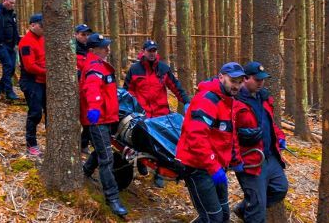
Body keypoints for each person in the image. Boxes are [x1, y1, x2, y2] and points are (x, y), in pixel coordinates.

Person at [175, 62, 245, 222]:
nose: (237, 86)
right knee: (213, 218)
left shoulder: (230, 101)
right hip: (197, 167)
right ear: (221, 77)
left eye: (240, 82)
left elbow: (230, 134)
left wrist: (235, 160)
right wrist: (213, 167)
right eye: (233, 81)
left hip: (216, 167)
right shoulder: (207, 100)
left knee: (224, 215)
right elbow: (196, 137)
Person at [123, 40, 190, 187]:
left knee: (161, 146)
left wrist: (186, 102)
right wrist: (134, 105)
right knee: (140, 142)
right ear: (143, 51)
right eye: (149, 50)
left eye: (154, 50)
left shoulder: (163, 69)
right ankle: (141, 163)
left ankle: (159, 173)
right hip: (143, 114)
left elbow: (176, 87)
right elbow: (127, 90)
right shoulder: (135, 69)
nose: (152, 53)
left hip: (161, 114)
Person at [231, 61, 289, 223]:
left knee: (280, 189)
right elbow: (229, 135)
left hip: (270, 157)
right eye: (257, 80)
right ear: (245, 79)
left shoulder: (264, 98)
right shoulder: (234, 102)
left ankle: (245, 209)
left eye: (263, 79)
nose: (261, 83)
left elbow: (270, 124)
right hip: (250, 161)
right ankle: (253, 210)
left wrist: (280, 137)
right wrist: (235, 159)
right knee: (257, 212)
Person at [80, 33, 128, 217]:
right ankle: (112, 197)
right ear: (93, 50)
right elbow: (92, 90)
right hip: (98, 119)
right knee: (106, 158)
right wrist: (93, 110)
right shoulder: (94, 67)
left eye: (107, 46)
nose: (107, 49)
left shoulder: (100, 65)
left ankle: (85, 171)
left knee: (102, 148)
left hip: (107, 117)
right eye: (103, 47)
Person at [18, 14, 46, 156]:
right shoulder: (26, 42)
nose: (43, 28)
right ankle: (31, 144)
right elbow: (30, 66)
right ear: (32, 25)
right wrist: (48, 72)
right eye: (41, 25)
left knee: (51, 112)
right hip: (31, 81)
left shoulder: (44, 38)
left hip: (45, 80)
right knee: (35, 113)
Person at [72, 24, 94, 154]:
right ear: (76, 34)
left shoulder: (90, 50)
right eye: (83, 34)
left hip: (88, 89)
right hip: (76, 89)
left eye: (87, 35)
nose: (85, 37)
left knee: (89, 119)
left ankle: (84, 143)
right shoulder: (71, 49)